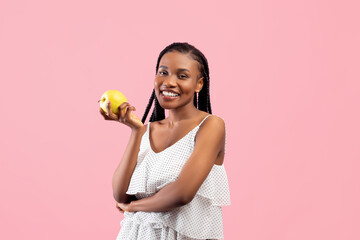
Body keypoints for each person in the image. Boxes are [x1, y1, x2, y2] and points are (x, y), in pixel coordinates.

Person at [100, 42, 231, 240]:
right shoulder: (146, 131)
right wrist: (136, 131)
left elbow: (182, 193)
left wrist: (133, 206)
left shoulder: (211, 125)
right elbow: (120, 194)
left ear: (199, 84)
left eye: (182, 76)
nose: (168, 82)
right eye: (163, 72)